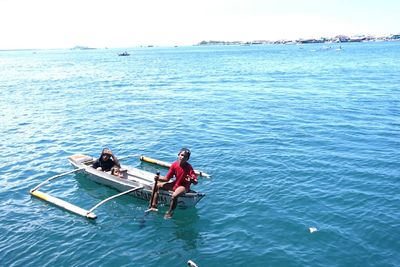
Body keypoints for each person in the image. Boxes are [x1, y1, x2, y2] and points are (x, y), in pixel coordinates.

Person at [149, 148, 198, 219]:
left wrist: (192, 180)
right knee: (156, 186)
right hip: (175, 184)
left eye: (185, 156)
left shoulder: (189, 167)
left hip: (184, 187)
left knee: (174, 195)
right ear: (178, 155)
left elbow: (196, 182)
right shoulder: (174, 165)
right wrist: (158, 178)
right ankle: (153, 205)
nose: (183, 157)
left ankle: (170, 212)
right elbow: (166, 179)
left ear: (187, 159)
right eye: (181, 155)